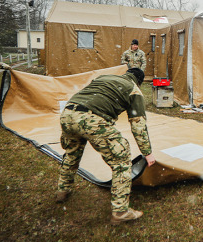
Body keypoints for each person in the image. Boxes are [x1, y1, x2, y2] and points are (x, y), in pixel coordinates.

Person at [55, 68, 156, 225]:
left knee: (72, 153)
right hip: (91, 118)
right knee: (121, 160)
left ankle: (62, 190)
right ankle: (120, 212)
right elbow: (138, 126)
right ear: (140, 82)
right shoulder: (134, 90)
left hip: (68, 113)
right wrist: (147, 153)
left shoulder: (105, 78)